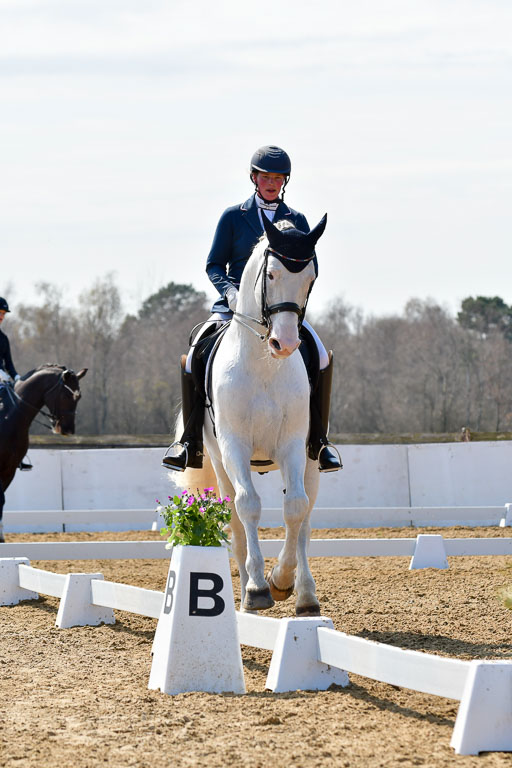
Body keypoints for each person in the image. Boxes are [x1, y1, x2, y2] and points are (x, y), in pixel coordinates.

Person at [162, 145, 342, 473]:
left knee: (322, 356)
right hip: (235, 310)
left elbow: (305, 267)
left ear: (284, 181)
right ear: (254, 178)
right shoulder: (234, 217)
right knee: (193, 357)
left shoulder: (297, 220)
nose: (271, 183)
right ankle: (189, 441)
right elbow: (214, 264)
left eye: (277, 177)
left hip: (279, 312)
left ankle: (319, 440)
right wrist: (230, 294)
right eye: (265, 176)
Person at [0, 297, 32, 471]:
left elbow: (9, 365)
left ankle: (17, 454)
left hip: (2, 382)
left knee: (18, 408)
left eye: (3, 314)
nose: (2, 316)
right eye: (0, 313)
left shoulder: (3, 339)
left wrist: (18, 377)